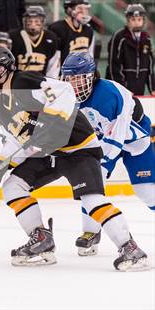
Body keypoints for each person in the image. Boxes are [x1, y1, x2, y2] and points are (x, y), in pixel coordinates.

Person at [0, 46, 149, 271]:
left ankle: (130, 248)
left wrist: (50, 123)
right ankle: (41, 239)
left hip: (79, 148)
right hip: (49, 153)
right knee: (12, 187)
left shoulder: (24, 82)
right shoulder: (0, 108)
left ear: (3, 70)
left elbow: (64, 90)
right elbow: (17, 141)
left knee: (91, 199)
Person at [61, 52, 155, 256]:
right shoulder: (67, 99)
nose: (73, 84)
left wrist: (85, 158)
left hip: (133, 141)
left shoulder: (109, 95)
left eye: (78, 78)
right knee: (90, 186)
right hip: (104, 141)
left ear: (91, 76)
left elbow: (115, 142)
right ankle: (91, 232)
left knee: (145, 191)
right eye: (69, 79)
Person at [106, 4, 155, 96]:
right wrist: (123, 89)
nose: (136, 22)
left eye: (139, 19)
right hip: (121, 91)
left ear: (143, 21)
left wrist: (153, 88)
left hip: (139, 90)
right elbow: (114, 67)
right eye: (133, 19)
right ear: (128, 20)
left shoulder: (147, 39)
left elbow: (150, 67)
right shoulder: (119, 37)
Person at [8, 6, 60, 78]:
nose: (33, 25)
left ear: (43, 22)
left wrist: (51, 82)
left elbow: (53, 65)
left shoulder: (51, 37)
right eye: (30, 21)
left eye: (37, 21)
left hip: (42, 81)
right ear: (24, 21)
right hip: (19, 81)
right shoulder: (13, 36)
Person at [48, 0, 94, 67]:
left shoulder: (88, 29)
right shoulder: (57, 28)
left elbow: (90, 54)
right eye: (80, 8)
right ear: (69, 9)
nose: (84, 12)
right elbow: (54, 60)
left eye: (86, 9)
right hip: (63, 73)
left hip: (81, 72)